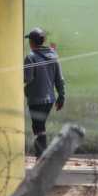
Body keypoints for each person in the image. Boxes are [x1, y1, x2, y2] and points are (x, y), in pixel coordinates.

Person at [24, 27, 65, 159]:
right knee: (40, 126)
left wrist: (24, 87)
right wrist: (61, 97)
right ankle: (41, 155)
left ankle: (41, 156)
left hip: (36, 99)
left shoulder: (30, 57)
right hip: (50, 100)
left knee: (38, 128)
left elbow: (28, 79)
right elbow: (59, 79)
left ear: (32, 42)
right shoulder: (53, 55)